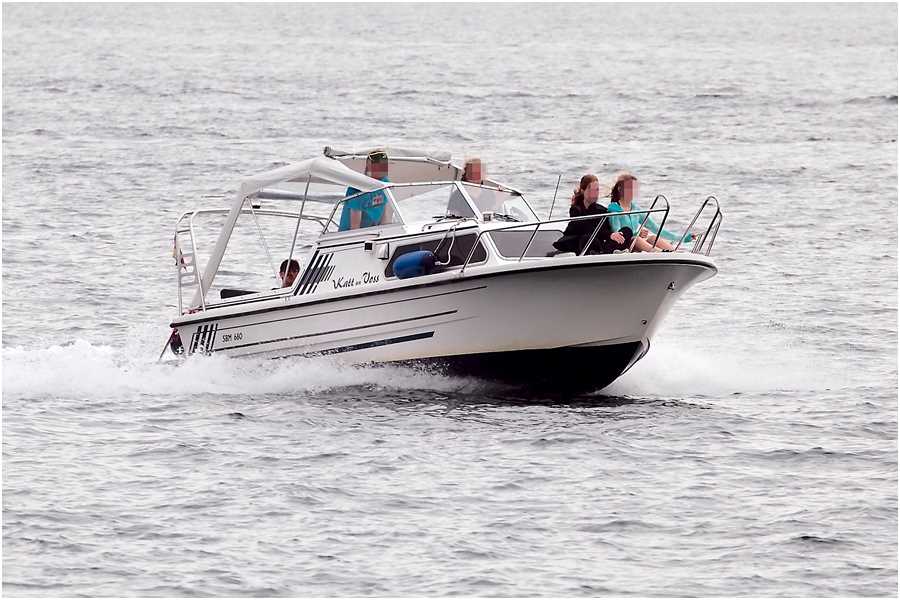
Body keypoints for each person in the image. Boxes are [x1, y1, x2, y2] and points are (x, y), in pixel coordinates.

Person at [607, 172, 696, 252]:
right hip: (623, 246)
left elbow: (657, 229)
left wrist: (683, 238)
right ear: (620, 189)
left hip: (636, 244)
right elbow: (617, 234)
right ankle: (662, 254)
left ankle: (675, 253)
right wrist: (637, 234)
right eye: (630, 188)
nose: (633, 191)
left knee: (653, 238)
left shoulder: (636, 209)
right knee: (636, 239)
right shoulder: (614, 209)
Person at [552, 174, 631, 255]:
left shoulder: (602, 210)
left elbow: (606, 229)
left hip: (600, 243)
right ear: (583, 191)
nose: (595, 194)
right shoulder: (576, 210)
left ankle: (610, 251)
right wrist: (609, 234)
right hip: (580, 241)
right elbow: (585, 228)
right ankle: (604, 252)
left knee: (626, 230)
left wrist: (614, 235)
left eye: (597, 190)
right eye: (592, 190)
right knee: (587, 237)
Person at [338, 150, 393, 231]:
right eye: (379, 167)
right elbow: (354, 227)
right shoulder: (357, 188)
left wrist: (385, 231)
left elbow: (384, 214)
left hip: (373, 230)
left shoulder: (385, 182)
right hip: (350, 232)